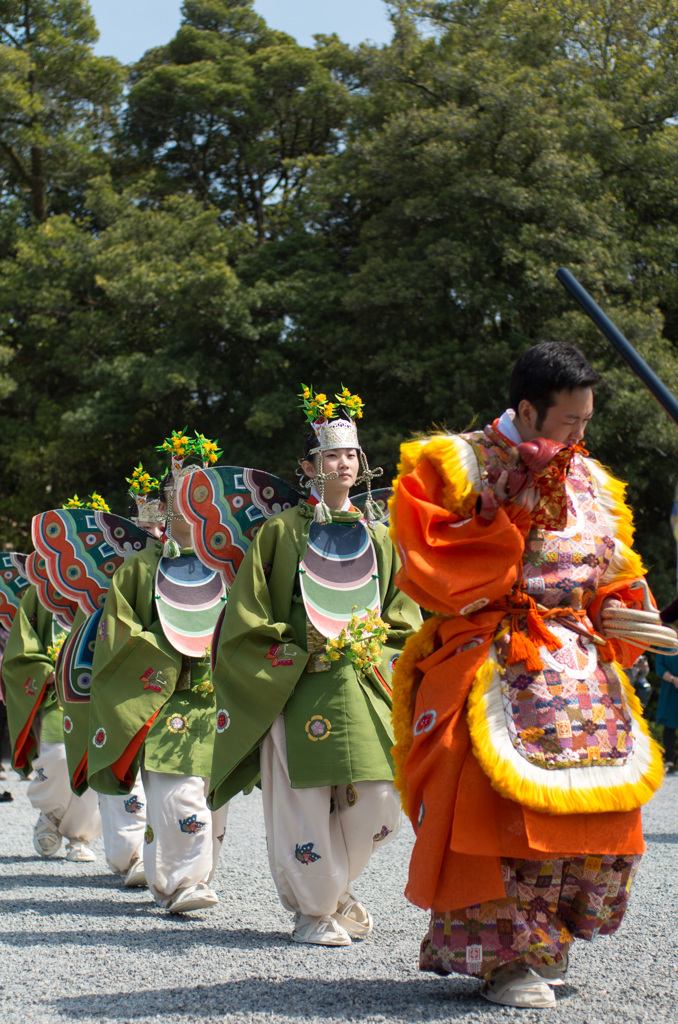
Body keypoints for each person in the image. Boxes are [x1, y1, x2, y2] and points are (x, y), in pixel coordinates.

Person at [390, 341, 671, 1008]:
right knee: (493, 804)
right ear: (526, 408)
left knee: (604, 804)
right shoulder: (454, 465)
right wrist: (509, 507)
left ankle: (548, 947)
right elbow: (431, 566)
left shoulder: (593, 479)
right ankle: (502, 960)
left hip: (578, 661)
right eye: (570, 421)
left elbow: (613, 568)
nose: (581, 434)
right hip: (496, 650)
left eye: (586, 421)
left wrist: (627, 613)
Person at [209, 387, 422, 946]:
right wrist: (299, 644)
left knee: (381, 803)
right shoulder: (280, 534)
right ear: (307, 467)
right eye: (330, 455)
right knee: (302, 804)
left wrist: (379, 641)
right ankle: (313, 911)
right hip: (295, 682)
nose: (343, 463)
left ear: (362, 461)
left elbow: (406, 614)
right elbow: (246, 617)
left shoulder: (380, 535)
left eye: (350, 454)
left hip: (364, 683)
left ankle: (331, 889)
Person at [88, 432, 229, 913]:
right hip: (168, 697)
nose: (188, 499)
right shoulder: (139, 570)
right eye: (179, 491)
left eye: (200, 489)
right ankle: (186, 883)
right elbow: (119, 633)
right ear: (167, 503)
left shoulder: (234, 565)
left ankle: (167, 874)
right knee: (180, 795)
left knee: (208, 803)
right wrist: (172, 649)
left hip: (225, 699)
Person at [2, 584, 101, 859]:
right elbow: (22, 645)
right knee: (57, 757)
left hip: (95, 691)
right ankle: (51, 813)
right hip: (55, 692)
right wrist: (45, 669)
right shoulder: (40, 589)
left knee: (92, 762)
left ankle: (79, 836)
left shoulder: (106, 582)